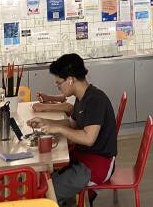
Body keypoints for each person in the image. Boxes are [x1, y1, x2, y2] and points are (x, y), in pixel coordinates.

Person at [28, 54, 117, 207]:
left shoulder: (95, 100)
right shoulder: (82, 97)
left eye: (59, 83)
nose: (58, 87)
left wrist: (58, 128)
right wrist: (46, 122)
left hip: (97, 165)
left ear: (70, 79)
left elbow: (88, 139)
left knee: (45, 192)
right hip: (82, 158)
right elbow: (72, 124)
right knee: (43, 181)